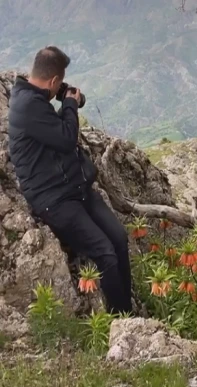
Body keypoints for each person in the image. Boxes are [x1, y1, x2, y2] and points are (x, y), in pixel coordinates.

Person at [7, 46, 133, 314]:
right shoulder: (28, 105)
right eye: (59, 84)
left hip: (75, 187)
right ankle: (123, 318)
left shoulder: (35, 97)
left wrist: (64, 98)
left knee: (119, 239)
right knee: (106, 254)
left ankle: (128, 305)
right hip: (54, 200)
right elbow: (66, 139)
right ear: (53, 80)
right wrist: (70, 104)